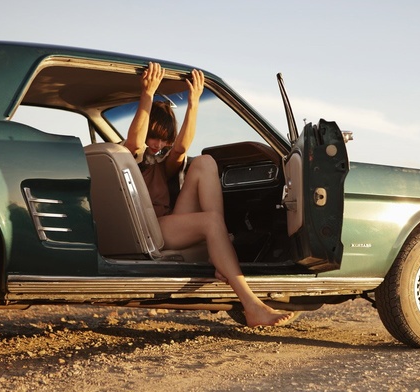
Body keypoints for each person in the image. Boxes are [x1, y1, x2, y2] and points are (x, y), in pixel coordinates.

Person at [123, 62, 293, 327]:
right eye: (153, 137)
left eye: (163, 139)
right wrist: (147, 94)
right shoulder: (133, 158)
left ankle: (218, 248)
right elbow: (135, 141)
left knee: (205, 162)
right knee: (210, 222)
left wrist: (193, 101)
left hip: (167, 223)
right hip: (148, 230)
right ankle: (251, 305)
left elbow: (181, 148)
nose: (157, 145)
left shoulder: (161, 162)